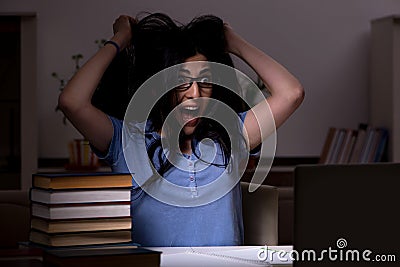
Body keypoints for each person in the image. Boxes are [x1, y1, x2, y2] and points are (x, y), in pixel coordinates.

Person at [58, 13, 304, 247]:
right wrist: (121, 39)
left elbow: (291, 93)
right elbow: (72, 102)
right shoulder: (127, 140)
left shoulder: (230, 136)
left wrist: (233, 42)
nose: (194, 94)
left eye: (205, 82)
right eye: (183, 82)